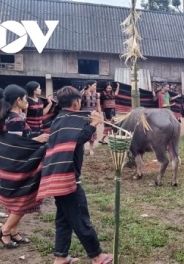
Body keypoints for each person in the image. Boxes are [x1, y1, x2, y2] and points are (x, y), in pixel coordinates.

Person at [36, 86, 113, 264]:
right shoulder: (69, 119)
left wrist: (89, 122)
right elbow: (77, 139)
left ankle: (60, 257)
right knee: (80, 217)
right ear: (76, 102)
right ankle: (97, 256)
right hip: (67, 178)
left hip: (57, 176)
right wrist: (94, 124)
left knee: (64, 219)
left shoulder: (59, 119)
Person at [0, 84, 49, 249]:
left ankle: (14, 231)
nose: (27, 101)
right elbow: (15, 147)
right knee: (22, 201)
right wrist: (38, 140)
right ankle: (5, 231)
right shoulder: (15, 120)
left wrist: (37, 137)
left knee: (17, 203)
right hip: (17, 168)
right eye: (24, 99)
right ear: (17, 100)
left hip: (8, 167)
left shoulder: (7, 116)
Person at [80, 80, 101, 156]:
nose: (96, 87)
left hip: (93, 115)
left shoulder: (96, 94)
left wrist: (100, 116)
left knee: (93, 131)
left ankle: (91, 149)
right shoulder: (82, 93)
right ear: (89, 85)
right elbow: (79, 104)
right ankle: (81, 148)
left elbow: (98, 106)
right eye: (94, 85)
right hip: (84, 115)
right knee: (83, 131)